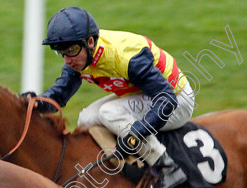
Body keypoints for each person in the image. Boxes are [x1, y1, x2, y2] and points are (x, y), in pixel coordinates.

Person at [30, 7, 195, 177]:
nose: (67, 60)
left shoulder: (126, 57)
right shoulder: (81, 56)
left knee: (109, 112)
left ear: (90, 42)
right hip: (145, 94)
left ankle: (166, 166)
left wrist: (134, 135)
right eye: (61, 52)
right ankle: (125, 169)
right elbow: (59, 95)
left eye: (71, 51)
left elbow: (167, 100)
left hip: (177, 99)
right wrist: (35, 102)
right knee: (85, 119)